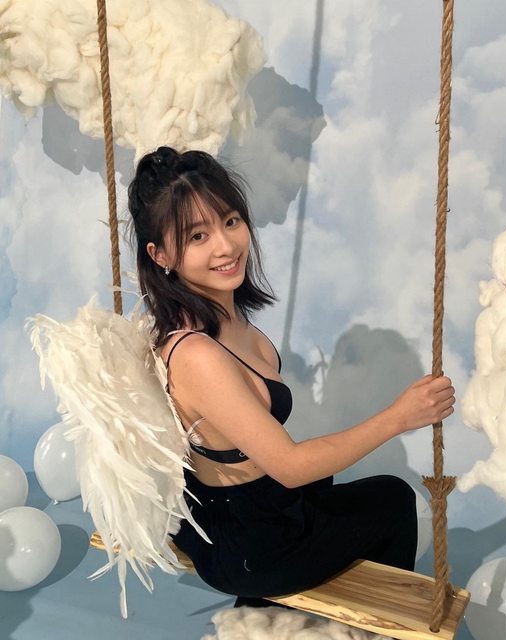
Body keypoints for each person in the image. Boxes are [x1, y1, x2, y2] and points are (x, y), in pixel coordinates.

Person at [128, 146, 455, 607]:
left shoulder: (226, 319)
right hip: (250, 544)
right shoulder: (196, 354)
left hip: (260, 507)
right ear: (160, 254)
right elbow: (290, 465)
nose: (225, 246)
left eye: (230, 221)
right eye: (197, 236)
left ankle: (269, 609)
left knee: (329, 485)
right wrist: (399, 417)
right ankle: (349, 624)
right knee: (393, 501)